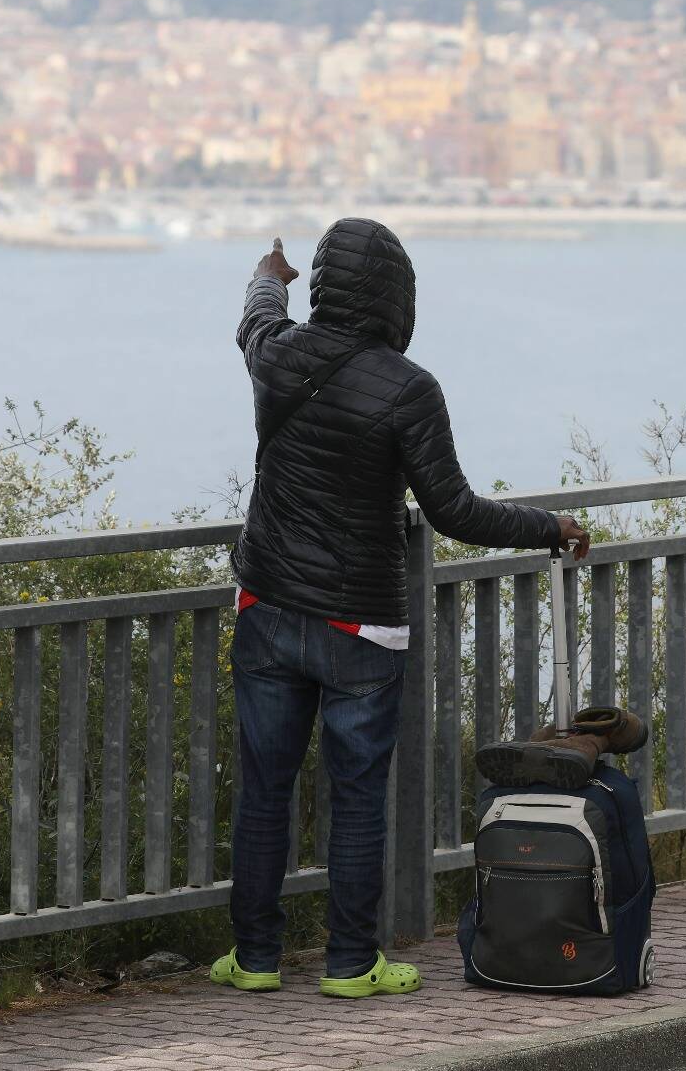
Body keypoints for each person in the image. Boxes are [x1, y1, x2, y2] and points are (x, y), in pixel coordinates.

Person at [212, 218, 591, 999]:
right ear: (397, 295)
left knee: (264, 793)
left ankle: (254, 959)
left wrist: (268, 272)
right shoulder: (410, 388)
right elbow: (452, 510)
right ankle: (352, 965)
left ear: (323, 285)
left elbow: (253, 317)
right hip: (359, 623)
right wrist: (547, 527)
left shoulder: (279, 355)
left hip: (269, 606)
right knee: (356, 801)